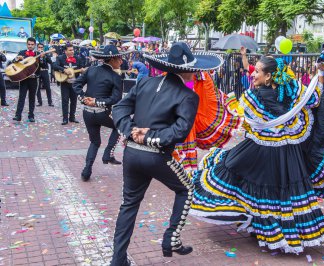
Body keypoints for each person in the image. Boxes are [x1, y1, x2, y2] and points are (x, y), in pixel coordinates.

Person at [189, 46, 324, 253]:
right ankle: (282, 233)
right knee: (284, 195)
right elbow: (316, 98)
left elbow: (245, 123)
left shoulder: (252, 99)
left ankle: (265, 231)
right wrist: (321, 75)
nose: (252, 73)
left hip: (262, 153)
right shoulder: (294, 91)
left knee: (247, 181)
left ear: (269, 76)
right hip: (291, 155)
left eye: (257, 71)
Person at [110, 42, 223, 266]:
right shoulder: (187, 95)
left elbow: (119, 109)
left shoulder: (145, 83)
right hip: (156, 156)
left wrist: (129, 131)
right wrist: (149, 136)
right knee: (187, 189)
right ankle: (171, 238)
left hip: (132, 154)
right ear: (188, 70)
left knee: (129, 204)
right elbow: (180, 132)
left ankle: (118, 260)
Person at [73, 45, 123, 181]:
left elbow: (76, 85)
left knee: (94, 142)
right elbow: (116, 99)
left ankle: (86, 170)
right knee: (120, 126)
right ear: (112, 59)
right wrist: (97, 102)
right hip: (102, 113)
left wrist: (83, 98)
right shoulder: (115, 76)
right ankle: (108, 154)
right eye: (119, 58)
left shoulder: (91, 70)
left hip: (88, 113)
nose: (122, 61)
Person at [54, 44, 85, 125]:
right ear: (65, 51)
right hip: (65, 82)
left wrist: (82, 70)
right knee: (65, 101)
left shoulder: (78, 58)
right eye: (70, 50)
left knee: (74, 101)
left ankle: (72, 117)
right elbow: (55, 66)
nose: (72, 51)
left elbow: (82, 67)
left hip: (74, 83)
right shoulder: (60, 58)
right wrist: (64, 70)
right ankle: (65, 118)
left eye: (73, 50)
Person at [12, 37, 40, 122]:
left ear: (35, 45)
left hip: (34, 79)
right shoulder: (22, 53)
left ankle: (31, 116)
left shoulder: (37, 53)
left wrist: (42, 58)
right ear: (26, 44)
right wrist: (17, 59)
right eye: (29, 44)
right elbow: (13, 62)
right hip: (24, 78)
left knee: (32, 98)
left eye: (32, 44)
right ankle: (18, 115)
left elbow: (43, 65)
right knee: (21, 97)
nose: (30, 46)